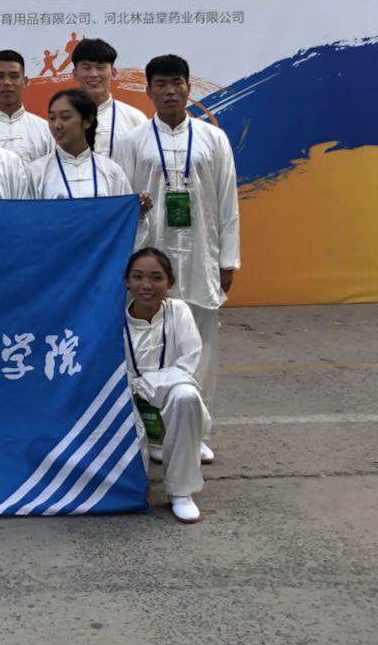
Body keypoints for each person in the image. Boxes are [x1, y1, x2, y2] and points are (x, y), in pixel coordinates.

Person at [117, 55, 239, 463]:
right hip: (151, 259)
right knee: (150, 347)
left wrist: (228, 260)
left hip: (200, 255)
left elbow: (227, 201)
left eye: (177, 83)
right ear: (148, 90)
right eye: (161, 84)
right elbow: (122, 201)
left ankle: (195, 431)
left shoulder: (212, 138)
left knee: (200, 346)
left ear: (189, 87)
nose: (170, 91)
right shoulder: (133, 141)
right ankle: (153, 434)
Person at [122, 247, 210, 524]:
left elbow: (189, 362)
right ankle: (134, 481)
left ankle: (181, 491)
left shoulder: (178, 311)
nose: (146, 285)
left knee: (186, 396)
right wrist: (134, 389)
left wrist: (145, 385)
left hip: (168, 391)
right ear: (126, 281)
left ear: (170, 282)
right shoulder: (114, 316)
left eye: (156, 277)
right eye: (137, 277)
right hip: (127, 395)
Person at [29, 88, 134, 200]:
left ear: (87, 121)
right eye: (52, 118)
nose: (56, 125)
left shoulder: (111, 171)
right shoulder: (36, 172)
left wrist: (141, 208)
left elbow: (125, 209)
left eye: (65, 117)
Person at [70, 38, 147, 162]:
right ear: (75, 73)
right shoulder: (63, 119)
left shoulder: (135, 119)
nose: (94, 74)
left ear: (113, 72)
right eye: (86, 68)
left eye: (101, 67)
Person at [0, 49, 54, 162]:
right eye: (0, 76)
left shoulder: (45, 129)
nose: (7, 82)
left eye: (14, 76)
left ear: (25, 81)